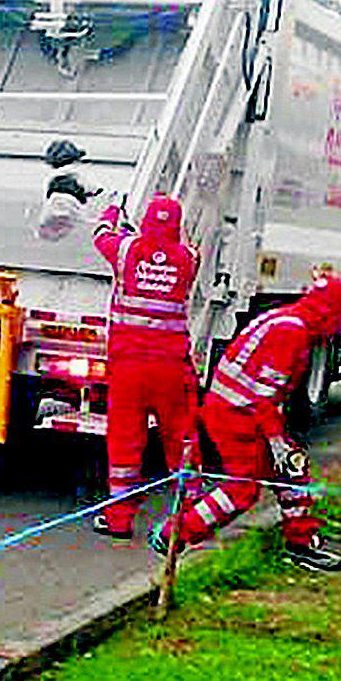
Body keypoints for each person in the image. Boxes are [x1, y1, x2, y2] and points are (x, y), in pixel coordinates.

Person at [152, 272, 341, 572]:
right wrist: (277, 444)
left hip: (237, 409)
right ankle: (173, 533)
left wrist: (283, 449)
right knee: (242, 490)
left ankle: (301, 543)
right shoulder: (292, 332)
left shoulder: (288, 320)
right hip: (235, 415)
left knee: (293, 473)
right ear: (328, 313)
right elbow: (264, 398)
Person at [90, 193, 200, 540]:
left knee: (125, 442)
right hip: (172, 368)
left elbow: (101, 236)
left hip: (129, 367)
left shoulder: (125, 250)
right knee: (181, 437)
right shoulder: (188, 259)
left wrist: (112, 210)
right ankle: (192, 514)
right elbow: (190, 247)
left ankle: (119, 518)